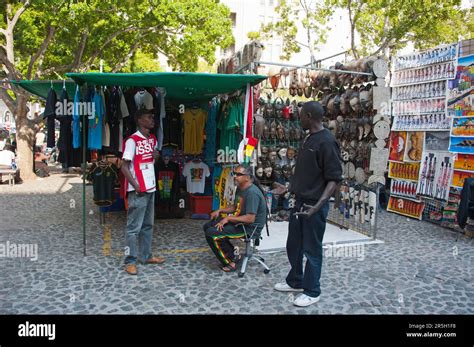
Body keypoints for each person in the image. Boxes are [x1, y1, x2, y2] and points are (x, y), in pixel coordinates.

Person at [273, 101, 342, 307]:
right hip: (299, 202)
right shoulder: (308, 139)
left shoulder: (327, 141)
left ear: (310, 116)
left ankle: (312, 290)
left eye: (301, 115)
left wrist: (318, 206)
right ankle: (295, 281)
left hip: (314, 206)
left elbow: (334, 179)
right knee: (294, 244)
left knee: (312, 249)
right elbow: (306, 173)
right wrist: (288, 187)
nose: (298, 118)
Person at [121, 108, 165, 275]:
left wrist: (156, 157)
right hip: (138, 189)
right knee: (133, 227)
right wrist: (136, 185)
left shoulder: (152, 139)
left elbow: (150, 161)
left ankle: (146, 255)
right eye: (149, 117)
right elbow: (124, 166)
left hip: (151, 187)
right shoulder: (132, 141)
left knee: (148, 225)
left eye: (153, 116)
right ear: (139, 120)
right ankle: (130, 260)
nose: (152, 119)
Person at [203, 164, 267, 272]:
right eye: (234, 173)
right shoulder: (241, 188)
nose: (235, 176)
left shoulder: (252, 193)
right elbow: (235, 206)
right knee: (208, 226)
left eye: (238, 174)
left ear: (247, 177)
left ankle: (231, 261)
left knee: (211, 232)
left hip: (250, 228)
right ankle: (233, 254)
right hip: (240, 222)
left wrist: (228, 219)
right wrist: (220, 210)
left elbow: (250, 219)